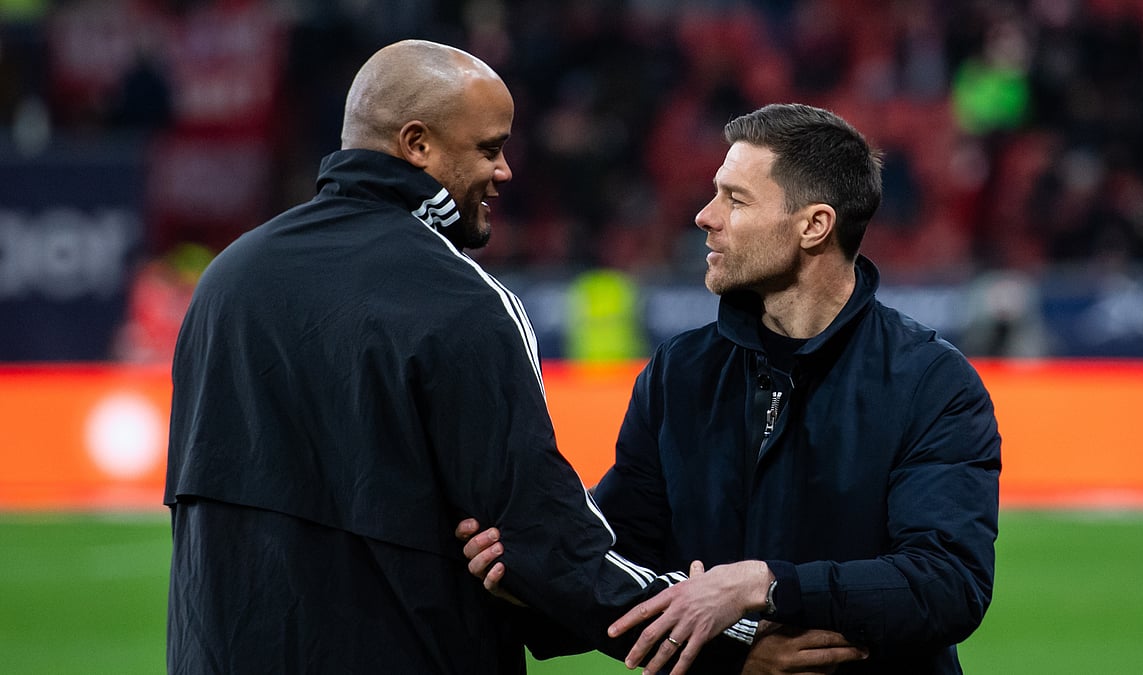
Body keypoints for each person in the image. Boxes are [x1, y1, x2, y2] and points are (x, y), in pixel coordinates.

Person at [164, 39, 760, 674]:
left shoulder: (229, 277)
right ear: (417, 145)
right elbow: (546, 546)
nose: (504, 171)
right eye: (489, 148)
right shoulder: (456, 297)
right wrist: (736, 643)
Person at [461, 103, 1002, 674]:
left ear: (814, 226)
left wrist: (764, 584)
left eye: (735, 200)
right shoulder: (681, 372)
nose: (704, 216)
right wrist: (533, 575)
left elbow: (947, 584)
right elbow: (620, 555)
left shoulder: (931, 382)